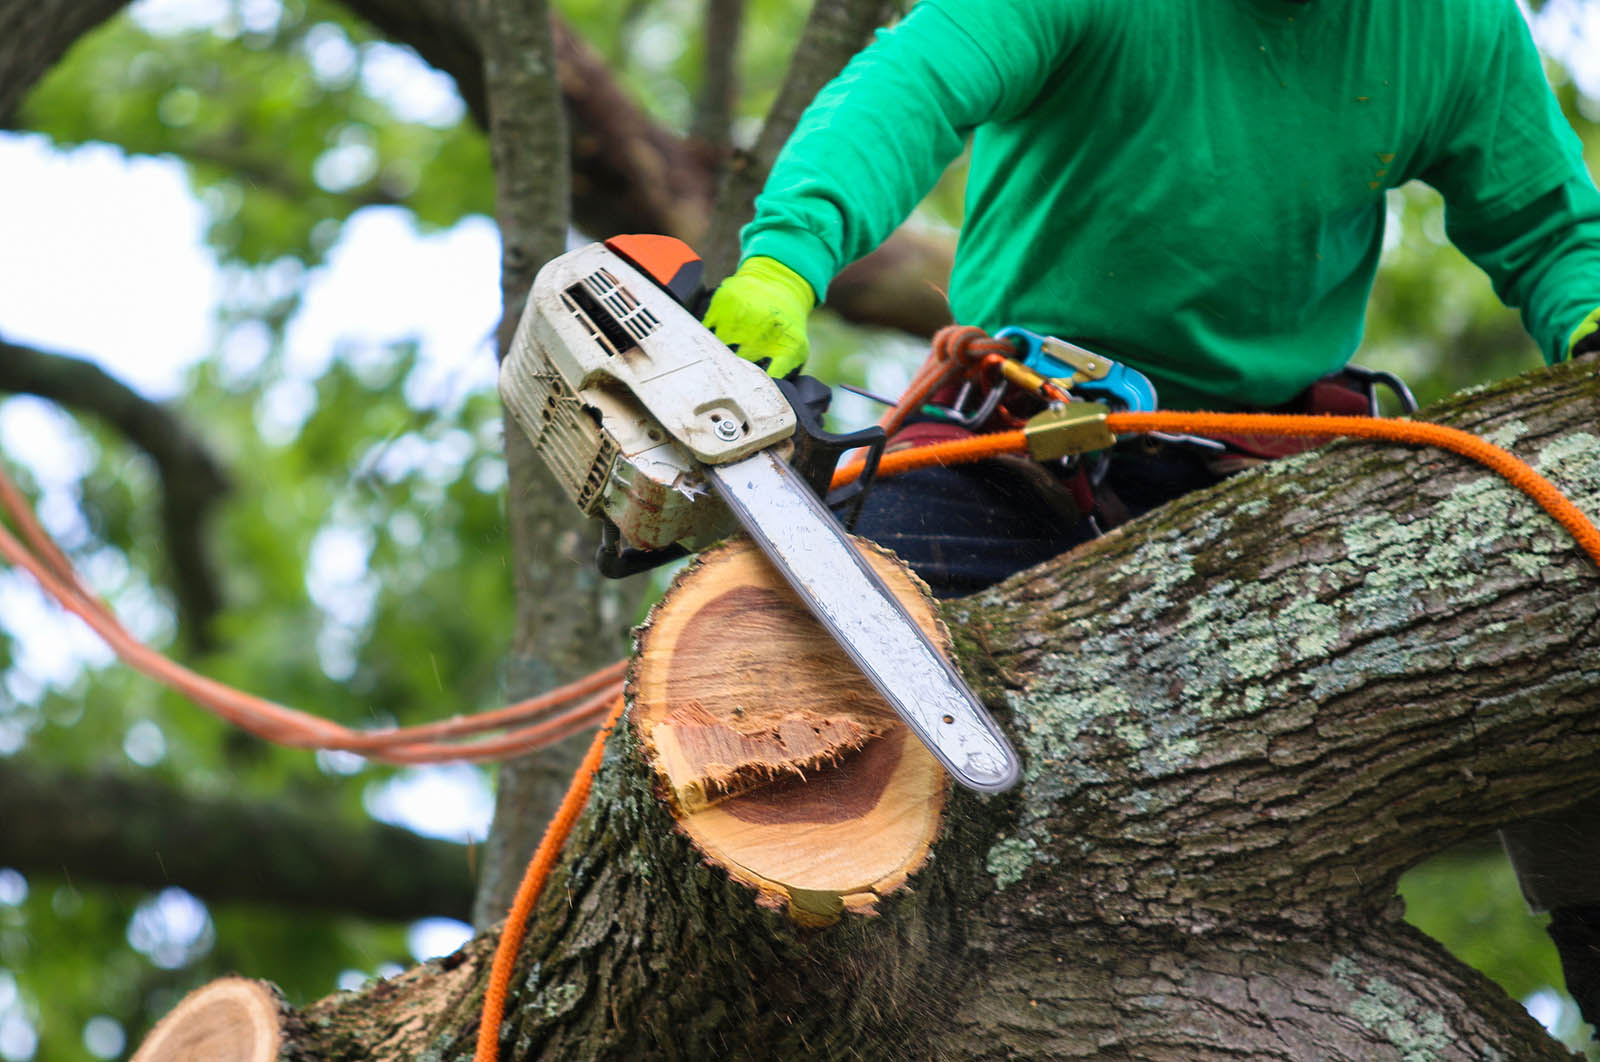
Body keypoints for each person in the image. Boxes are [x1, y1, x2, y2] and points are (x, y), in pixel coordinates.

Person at [701, 0, 1600, 1032]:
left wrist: (1586, 313)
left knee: (1553, 602)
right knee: (800, 687)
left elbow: (1547, 224)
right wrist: (788, 257)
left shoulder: (1448, 26)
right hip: (1011, 456)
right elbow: (910, 85)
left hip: (1276, 493)